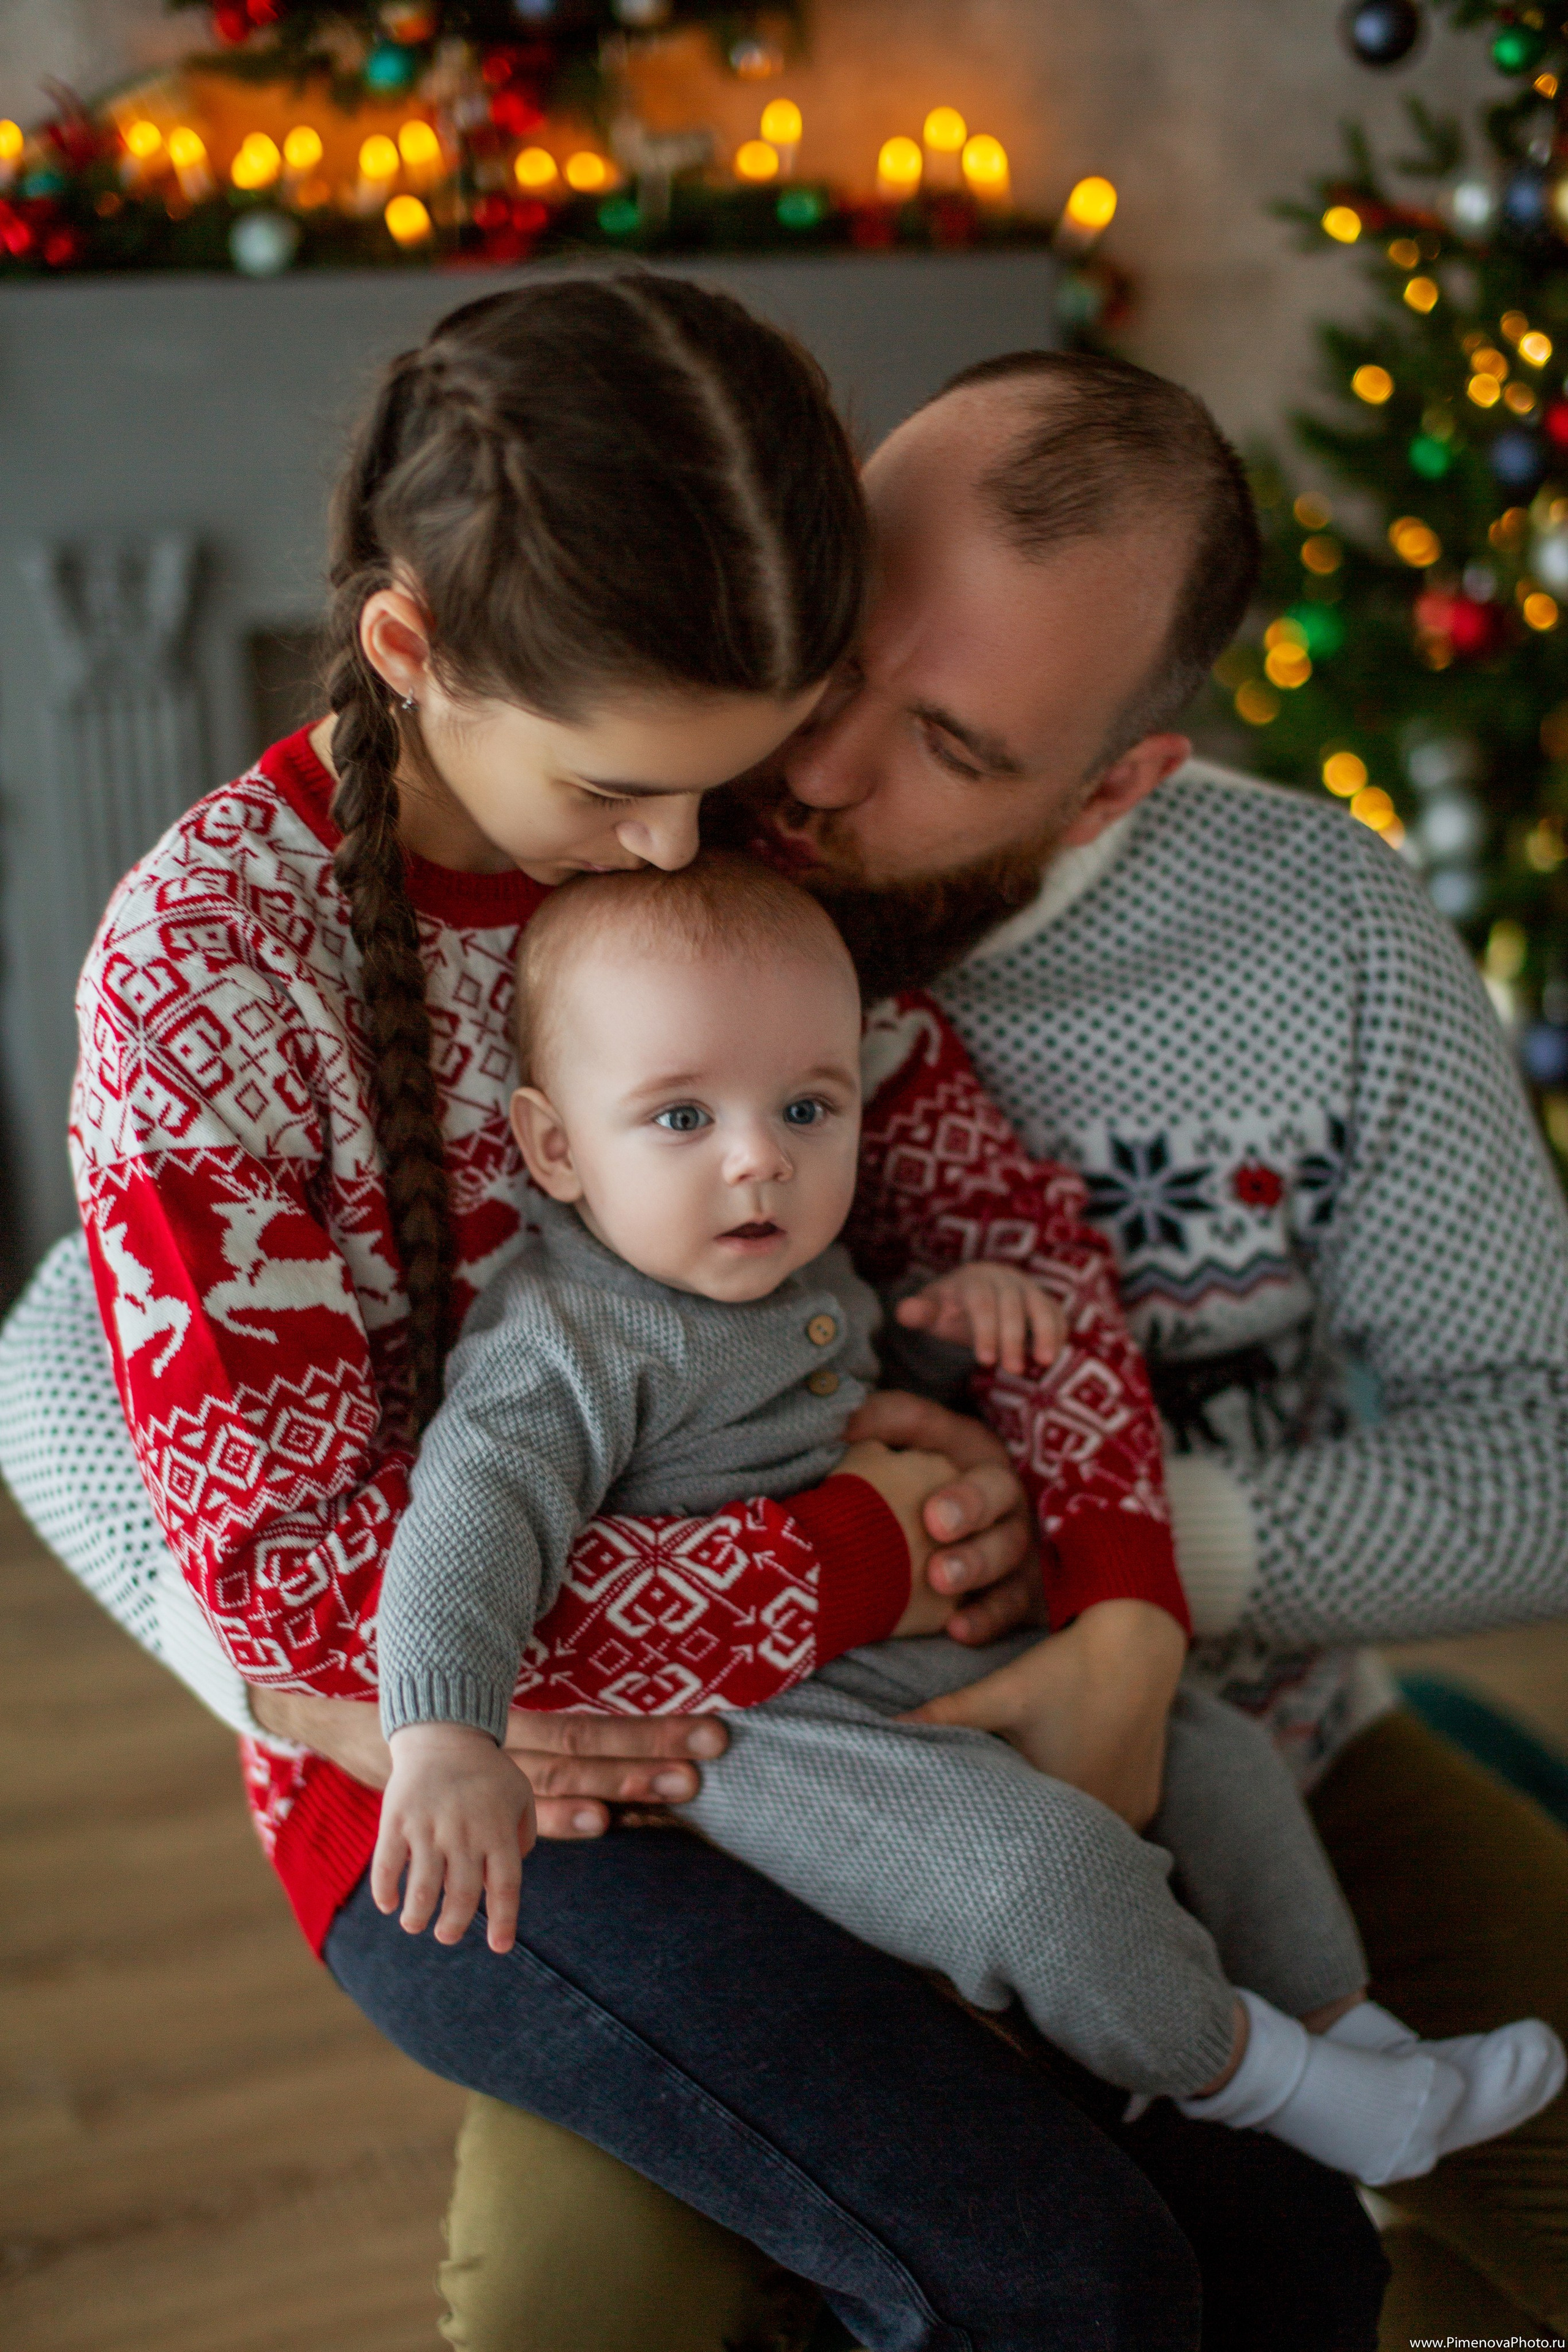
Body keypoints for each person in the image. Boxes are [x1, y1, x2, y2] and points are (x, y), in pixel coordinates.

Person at [0, 280, 1392, 2350]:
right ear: (414, 648)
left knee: (1295, 2245)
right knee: (1063, 2277)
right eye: (614, 795)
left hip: (865, 1708)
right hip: (481, 1817)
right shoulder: (209, 974)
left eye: (724, 785)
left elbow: (1011, 1227)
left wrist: (1116, 1604)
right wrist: (856, 1547)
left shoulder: (724, 837)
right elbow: (310, 1603)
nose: (674, 852)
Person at [372, 848, 1561, 2190]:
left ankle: (1354, 2028)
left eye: (807, 1105)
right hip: (769, 1734)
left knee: (1210, 1748)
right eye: (680, 1118)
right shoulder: (571, 1339)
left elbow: (856, 1408)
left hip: (913, 1662)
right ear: (551, 1144)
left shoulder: (800, 1264)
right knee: (1038, 1877)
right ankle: (1267, 2083)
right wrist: (438, 1731)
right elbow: (469, 1522)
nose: (759, 1158)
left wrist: (968, 1325)